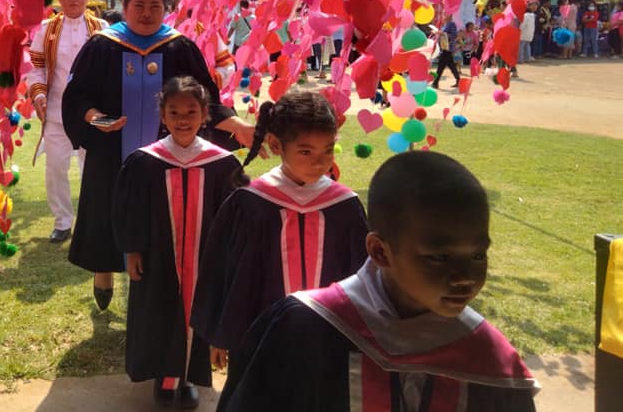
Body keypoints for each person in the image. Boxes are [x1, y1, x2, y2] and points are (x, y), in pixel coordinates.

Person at [217, 150, 539, 411]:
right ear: (380, 252)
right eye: (439, 257)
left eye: (478, 256)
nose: (464, 277)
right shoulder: (304, 328)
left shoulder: (489, 359)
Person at [62, 0, 256, 310]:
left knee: (159, 214)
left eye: (155, 6)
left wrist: (237, 125)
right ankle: (103, 269)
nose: (147, 13)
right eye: (139, 5)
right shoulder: (102, 46)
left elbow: (205, 99)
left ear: (166, 9)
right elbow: (76, 96)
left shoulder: (179, 47)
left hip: (166, 154)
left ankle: (154, 279)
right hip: (110, 149)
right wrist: (96, 119)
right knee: (106, 206)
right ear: (125, 7)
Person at [191, 88, 367, 371]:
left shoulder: (344, 207)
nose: (319, 162)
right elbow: (225, 273)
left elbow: (362, 279)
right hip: (260, 341)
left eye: (327, 150)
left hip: (328, 343)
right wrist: (221, 336)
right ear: (275, 144)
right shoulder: (251, 204)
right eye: (305, 151)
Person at [112, 76, 247, 409]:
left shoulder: (222, 163)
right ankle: (166, 375)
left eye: (191, 111)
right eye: (174, 111)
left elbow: (239, 216)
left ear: (205, 114)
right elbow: (129, 210)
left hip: (205, 259)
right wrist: (132, 250)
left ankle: (188, 376)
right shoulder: (144, 161)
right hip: (158, 258)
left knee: (199, 309)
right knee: (160, 311)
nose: (183, 119)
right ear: (162, 115)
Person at [26, 0, 106, 243]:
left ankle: (91, 220)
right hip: (56, 111)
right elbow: (36, 67)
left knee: (93, 168)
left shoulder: (102, 28)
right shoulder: (46, 29)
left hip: (92, 113)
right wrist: (38, 94)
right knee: (56, 168)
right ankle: (62, 222)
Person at [431, 19, 460, 89]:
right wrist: (438, 33)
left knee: (441, 65)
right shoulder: (445, 24)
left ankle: (435, 83)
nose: (444, 15)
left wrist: (439, 33)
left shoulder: (452, 24)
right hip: (444, 47)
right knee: (451, 65)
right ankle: (458, 80)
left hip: (448, 48)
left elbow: (454, 35)